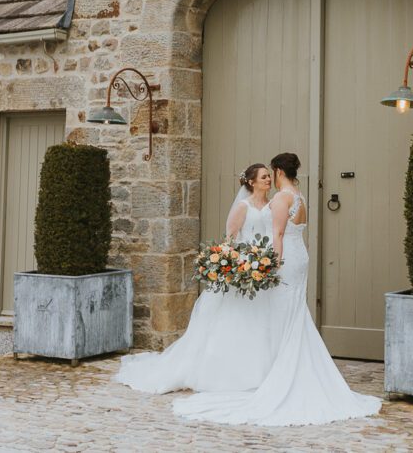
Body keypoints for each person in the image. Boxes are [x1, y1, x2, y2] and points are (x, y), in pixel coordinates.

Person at [171, 152, 382, 426]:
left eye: (272, 172)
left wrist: (272, 263)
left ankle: (284, 370)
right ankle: (282, 365)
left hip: (286, 260)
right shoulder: (299, 196)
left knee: (284, 314)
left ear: (280, 172)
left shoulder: (283, 198)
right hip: (298, 257)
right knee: (292, 314)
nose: (270, 177)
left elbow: (279, 234)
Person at [113, 164, 276, 394]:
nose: (269, 179)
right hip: (244, 268)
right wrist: (239, 264)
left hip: (263, 269)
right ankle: (229, 372)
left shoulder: (271, 205)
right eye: (264, 176)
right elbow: (229, 240)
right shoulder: (243, 207)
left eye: (269, 176)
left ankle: (263, 370)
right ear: (251, 182)